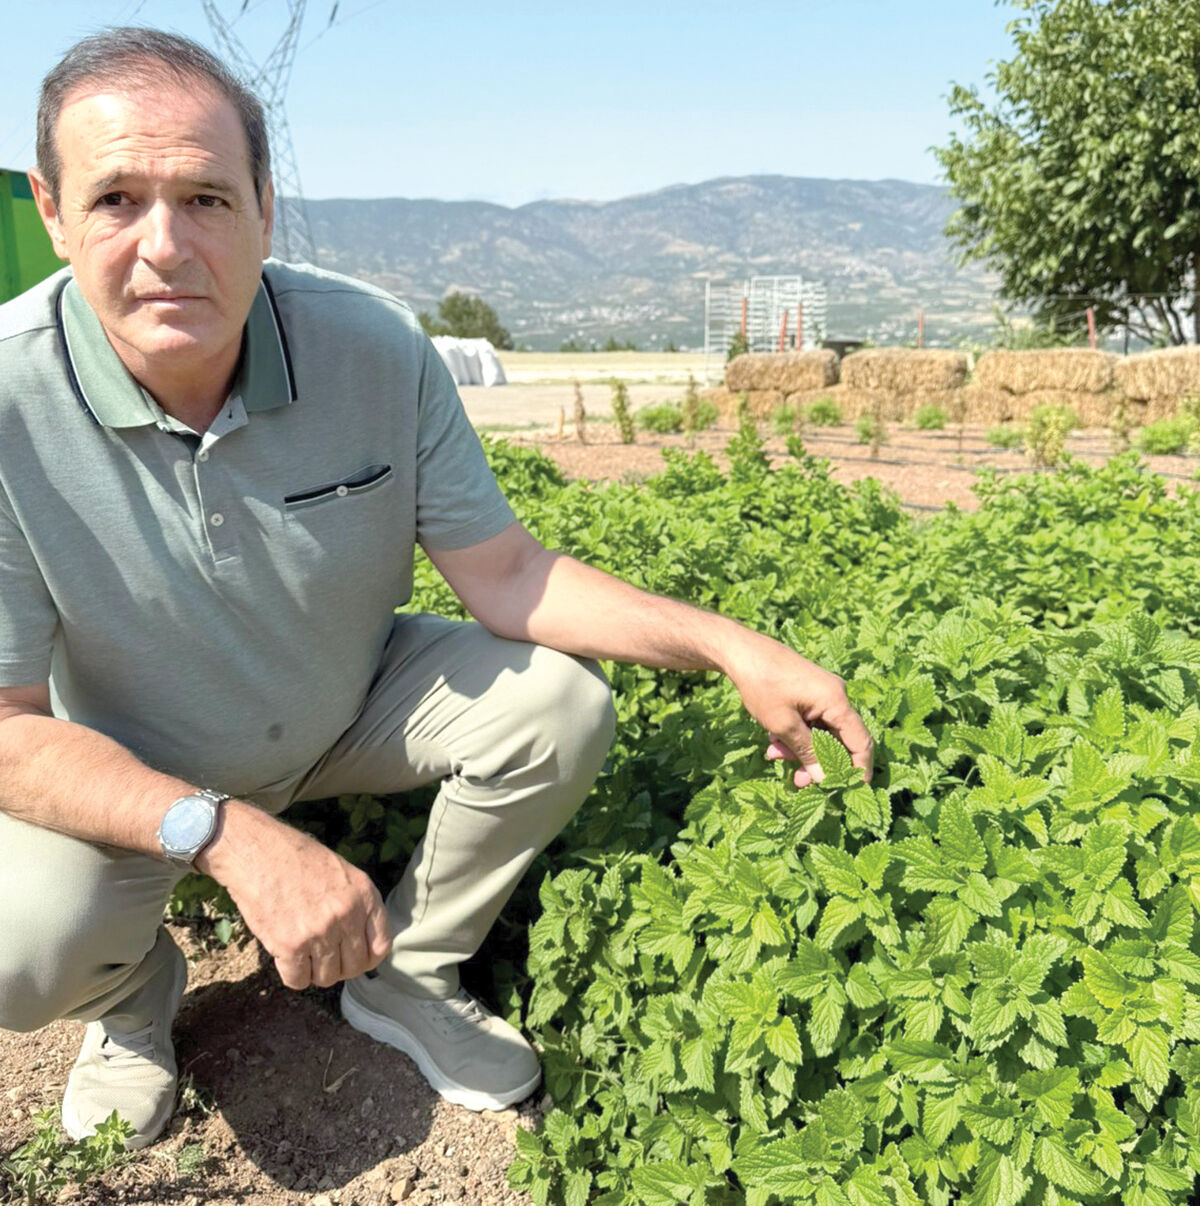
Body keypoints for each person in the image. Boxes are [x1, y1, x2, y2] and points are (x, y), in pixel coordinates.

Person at [0, 28, 873, 1151]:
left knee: (558, 706)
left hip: (341, 697)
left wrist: (734, 647)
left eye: (209, 199)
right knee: (18, 950)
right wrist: (222, 833)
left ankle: (411, 968)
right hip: (136, 754)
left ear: (267, 205)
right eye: (117, 197)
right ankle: (127, 999)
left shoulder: (370, 347)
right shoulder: (7, 405)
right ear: (53, 209)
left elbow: (507, 575)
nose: (166, 245)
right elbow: (9, 732)